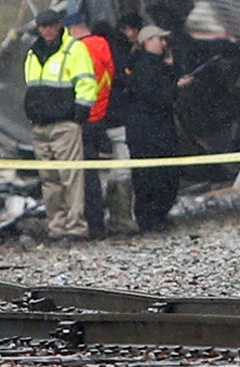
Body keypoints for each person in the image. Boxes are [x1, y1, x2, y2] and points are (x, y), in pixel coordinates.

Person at [22, 8, 96, 240]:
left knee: (71, 178)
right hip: (41, 125)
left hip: (65, 124)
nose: (47, 30)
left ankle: (75, 227)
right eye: (43, 26)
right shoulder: (33, 53)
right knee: (50, 181)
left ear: (59, 25)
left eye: (51, 25)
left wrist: (78, 115)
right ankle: (57, 227)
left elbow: (86, 83)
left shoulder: (74, 49)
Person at [126, 24, 184, 230]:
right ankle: (149, 218)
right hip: (147, 131)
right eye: (160, 39)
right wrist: (175, 88)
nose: (164, 43)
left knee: (166, 174)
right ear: (147, 42)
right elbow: (155, 97)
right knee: (150, 177)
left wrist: (171, 67)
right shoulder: (143, 67)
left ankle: (159, 214)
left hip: (159, 128)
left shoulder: (157, 65)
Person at [70, 14, 116, 237]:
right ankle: (98, 223)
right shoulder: (102, 45)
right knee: (93, 172)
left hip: (83, 117)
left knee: (83, 175)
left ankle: (90, 223)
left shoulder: (77, 50)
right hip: (101, 113)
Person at [102, 13, 143, 235]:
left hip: (106, 116)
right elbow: (125, 83)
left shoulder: (105, 51)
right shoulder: (122, 53)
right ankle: (121, 216)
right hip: (120, 118)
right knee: (122, 168)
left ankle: (116, 214)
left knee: (116, 168)